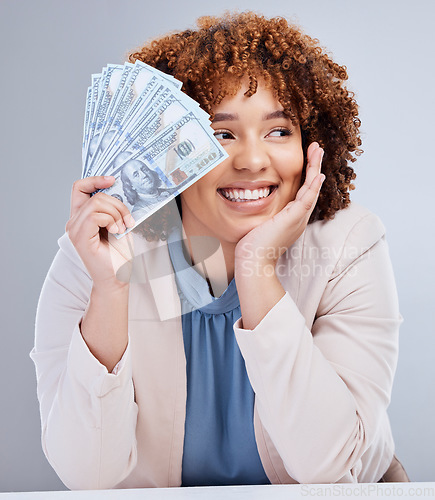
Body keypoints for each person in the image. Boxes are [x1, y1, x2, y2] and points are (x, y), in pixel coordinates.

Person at [31, 11, 409, 490]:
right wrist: (109, 290)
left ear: (312, 146)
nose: (252, 161)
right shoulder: (92, 256)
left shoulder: (348, 246)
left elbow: (329, 468)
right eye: (220, 134)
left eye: (279, 131)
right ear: (167, 150)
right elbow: (88, 474)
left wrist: (257, 272)